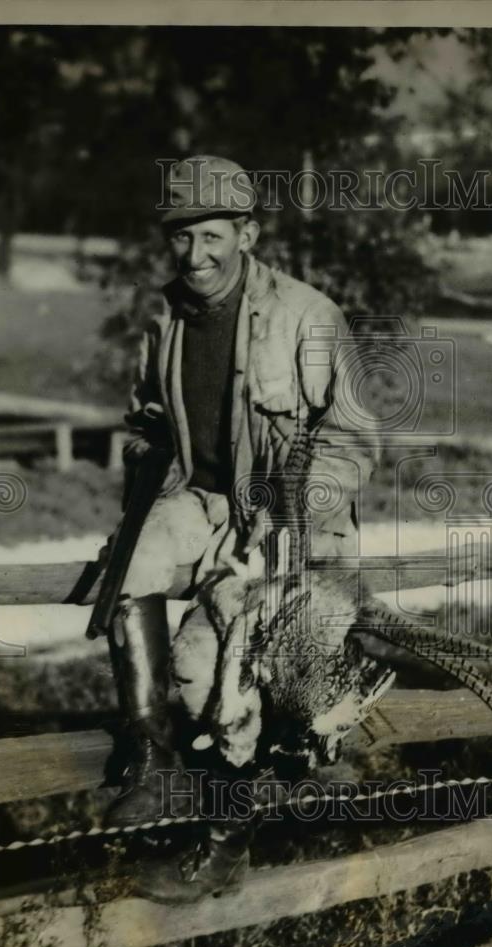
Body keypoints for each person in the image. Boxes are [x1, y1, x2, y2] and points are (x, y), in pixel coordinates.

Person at [100, 156, 376, 902]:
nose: (197, 256)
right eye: (182, 239)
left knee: (222, 672)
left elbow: (352, 439)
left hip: (296, 527)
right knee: (125, 577)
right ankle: (152, 765)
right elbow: (147, 423)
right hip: (204, 504)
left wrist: (289, 516)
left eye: (213, 236)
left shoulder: (307, 315)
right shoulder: (164, 320)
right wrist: (143, 470)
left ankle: (224, 842)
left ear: (246, 233)